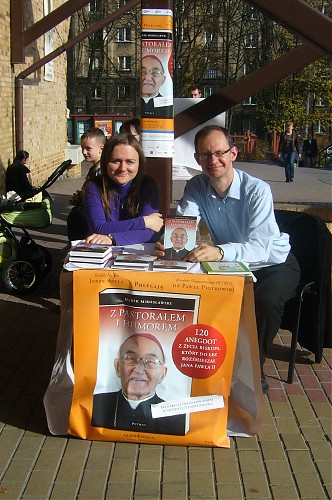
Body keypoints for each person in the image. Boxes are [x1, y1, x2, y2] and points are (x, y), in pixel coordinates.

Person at [155, 125, 300, 394]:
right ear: (197, 159)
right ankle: (205, 366)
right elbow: (185, 223)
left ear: (233, 153)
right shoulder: (196, 185)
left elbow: (260, 245)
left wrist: (220, 251)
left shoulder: (257, 190)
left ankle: (253, 373)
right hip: (232, 262)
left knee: (265, 301)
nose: (213, 161)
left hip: (273, 262)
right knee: (203, 292)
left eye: (219, 152)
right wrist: (169, 244)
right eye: (205, 155)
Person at [91, 333, 187, 435]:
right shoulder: (95, 405)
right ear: (118, 366)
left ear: (162, 374)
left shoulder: (178, 418)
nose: (139, 369)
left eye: (151, 361)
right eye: (131, 358)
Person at [83, 133, 163, 246]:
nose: (122, 168)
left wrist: (112, 239)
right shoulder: (93, 186)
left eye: (130, 162)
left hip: (138, 253)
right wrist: (144, 221)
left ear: (139, 164)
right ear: (105, 162)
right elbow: (99, 227)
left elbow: (150, 231)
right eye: (116, 161)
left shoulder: (148, 185)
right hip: (102, 253)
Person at [67, 127, 106, 241]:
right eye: (82, 148)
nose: (84, 152)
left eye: (88, 148)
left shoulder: (100, 169)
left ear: (101, 149)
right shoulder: (95, 168)